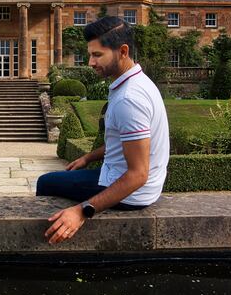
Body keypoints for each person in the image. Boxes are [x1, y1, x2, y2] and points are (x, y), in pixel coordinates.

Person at [37, 16, 169, 244]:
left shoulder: (129, 98)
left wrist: (81, 211)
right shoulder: (135, 82)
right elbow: (123, 143)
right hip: (143, 185)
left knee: (45, 182)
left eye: (97, 55)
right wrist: (88, 157)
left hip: (135, 194)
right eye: (90, 54)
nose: (90, 62)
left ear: (123, 51)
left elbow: (138, 175)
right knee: (63, 178)